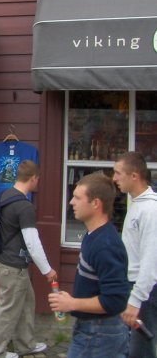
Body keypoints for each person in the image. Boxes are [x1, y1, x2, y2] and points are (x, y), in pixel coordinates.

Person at [48, 171, 131, 358]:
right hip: (91, 329)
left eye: (77, 197)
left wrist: (72, 303)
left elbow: (115, 300)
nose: (71, 202)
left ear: (95, 204)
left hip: (100, 334)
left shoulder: (106, 245)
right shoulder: (92, 236)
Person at [0, 160, 56, 358]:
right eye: (37, 179)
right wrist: (47, 270)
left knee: (26, 301)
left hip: (3, 261)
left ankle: (26, 344)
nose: (37, 182)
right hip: (12, 266)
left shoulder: (4, 196)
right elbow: (32, 242)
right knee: (7, 309)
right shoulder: (24, 206)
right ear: (33, 178)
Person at [113, 152, 157, 358]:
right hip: (134, 286)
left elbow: (151, 260)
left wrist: (136, 300)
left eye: (118, 173)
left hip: (145, 292)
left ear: (134, 176)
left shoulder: (150, 210)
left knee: (141, 352)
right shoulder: (136, 203)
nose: (114, 178)